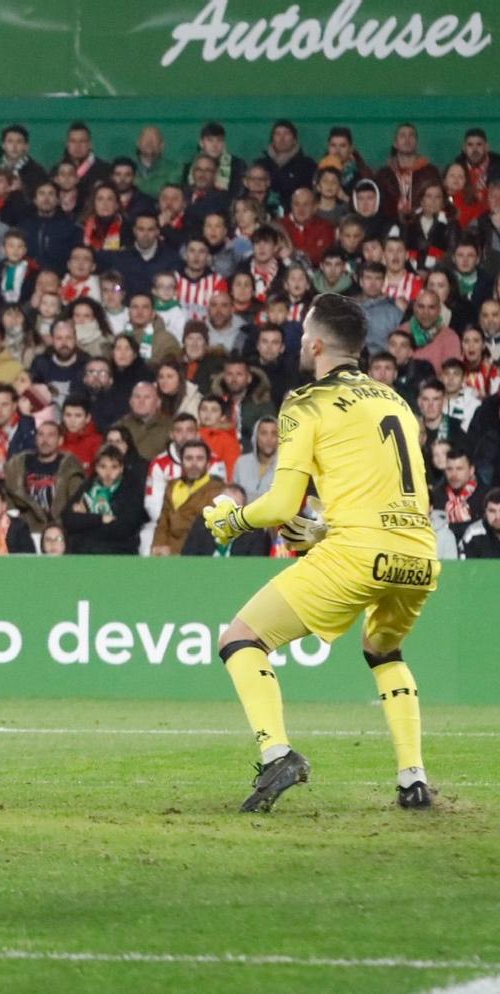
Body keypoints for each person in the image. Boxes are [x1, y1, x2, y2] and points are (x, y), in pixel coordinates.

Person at [202, 292, 439, 812]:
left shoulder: (305, 402)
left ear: (313, 343)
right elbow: (395, 492)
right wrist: (325, 530)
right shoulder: (394, 401)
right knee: (383, 651)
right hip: (419, 554)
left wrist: (231, 521)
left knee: (241, 639)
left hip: (357, 553)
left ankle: (277, 754)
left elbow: (283, 503)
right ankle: (412, 779)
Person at [4, 419, 84, 531]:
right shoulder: (18, 464)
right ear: (36, 439)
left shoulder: (70, 469)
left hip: (58, 529)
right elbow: (9, 495)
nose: (44, 440)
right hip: (25, 528)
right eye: (41, 435)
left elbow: (75, 501)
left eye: (50, 435)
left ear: (60, 440)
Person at [150, 439, 226, 556]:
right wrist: (158, 546)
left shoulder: (218, 490)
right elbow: (163, 522)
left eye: (199, 459)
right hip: (167, 552)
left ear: (208, 463)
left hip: (195, 555)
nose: (194, 464)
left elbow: (204, 532)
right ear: (181, 462)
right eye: (189, 458)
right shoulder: (172, 485)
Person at [63, 448, 145, 554]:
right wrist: (100, 519)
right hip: (84, 549)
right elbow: (68, 519)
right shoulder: (88, 486)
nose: (108, 472)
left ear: (121, 468)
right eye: (103, 467)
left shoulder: (131, 489)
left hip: (119, 549)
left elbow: (123, 529)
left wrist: (84, 519)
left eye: (114, 467)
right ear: (96, 468)